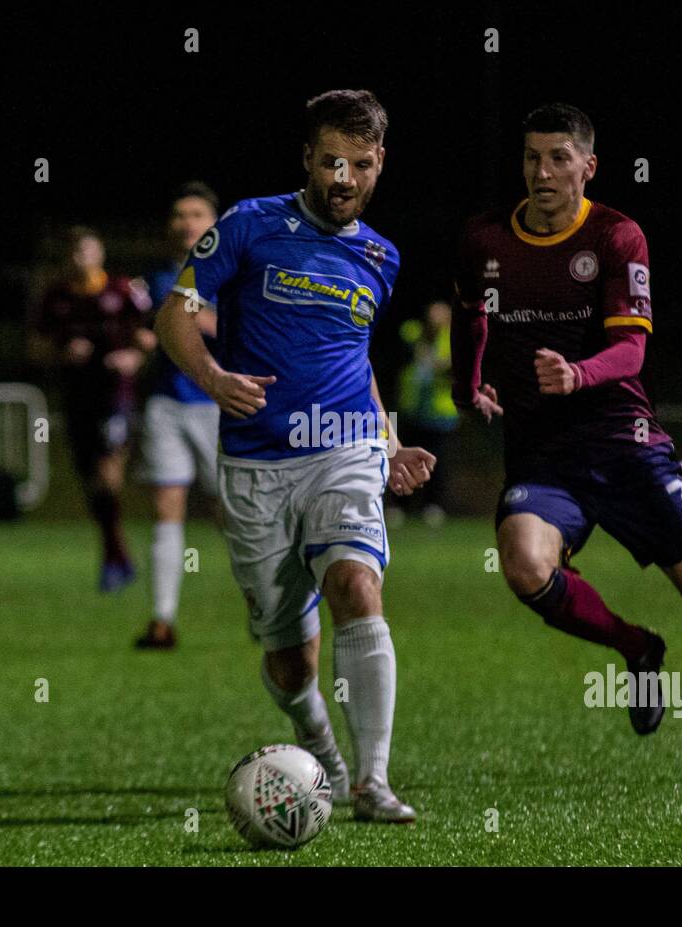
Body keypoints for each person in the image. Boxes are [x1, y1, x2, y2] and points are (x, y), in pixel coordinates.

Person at [451, 103, 682, 783]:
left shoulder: (616, 236)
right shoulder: (484, 238)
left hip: (627, 445)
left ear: (589, 166)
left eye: (557, 157)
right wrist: (469, 386)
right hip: (543, 456)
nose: (541, 171)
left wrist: (577, 374)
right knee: (524, 567)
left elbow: (632, 350)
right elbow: (470, 317)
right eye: (530, 157)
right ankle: (638, 649)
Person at [154, 90, 437, 820]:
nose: (344, 177)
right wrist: (213, 378)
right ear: (309, 159)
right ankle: (318, 741)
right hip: (255, 466)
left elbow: (356, 359)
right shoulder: (250, 223)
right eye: (332, 161)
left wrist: (392, 438)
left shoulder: (381, 255)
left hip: (343, 449)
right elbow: (175, 312)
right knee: (289, 660)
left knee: (355, 585)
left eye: (361, 164)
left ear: (380, 166)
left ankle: (372, 783)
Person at [29, 227, 154, 592]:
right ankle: (117, 555)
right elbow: (35, 346)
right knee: (93, 485)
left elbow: (150, 335)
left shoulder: (123, 290)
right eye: (73, 252)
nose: (79, 257)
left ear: (99, 254)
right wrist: (61, 353)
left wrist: (133, 356)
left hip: (116, 396)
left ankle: (115, 559)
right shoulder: (55, 297)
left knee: (107, 474)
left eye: (86, 250)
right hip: (77, 399)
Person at [134, 183, 223, 649]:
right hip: (167, 404)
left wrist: (184, 316)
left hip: (219, 405)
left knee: (232, 513)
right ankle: (162, 619)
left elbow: (236, 330)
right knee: (166, 510)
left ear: (214, 224)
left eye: (196, 213)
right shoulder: (153, 280)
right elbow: (145, 335)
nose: (186, 221)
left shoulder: (232, 275)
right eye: (178, 213)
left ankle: (265, 605)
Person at [394, 300, 458, 527]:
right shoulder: (413, 332)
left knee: (436, 461)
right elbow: (402, 348)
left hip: (440, 411)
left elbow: (458, 369)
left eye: (441, 317)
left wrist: (441, 365)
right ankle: (400, 505)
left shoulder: (454, 339)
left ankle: (433, 506)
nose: (435, 321)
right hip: (412, 406)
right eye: (432, 316)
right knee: (402, 454)